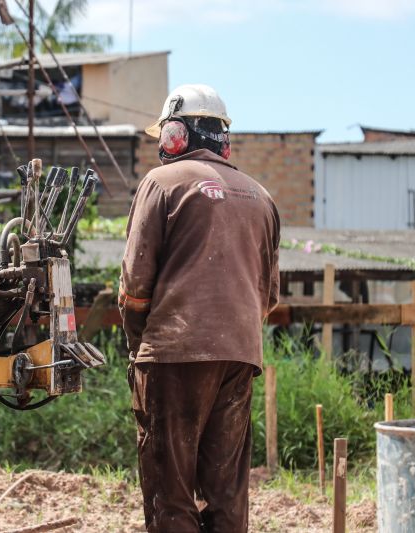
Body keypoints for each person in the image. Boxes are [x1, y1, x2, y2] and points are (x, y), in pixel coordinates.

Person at [119, 84, 280, 532]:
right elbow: (267, 296)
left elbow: (134, 288)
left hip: (173, 353)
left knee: (169, 489)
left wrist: (138, 349)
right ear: (223, 140)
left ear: (175, 134)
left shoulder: (160, 183)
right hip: (239, 355)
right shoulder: (261, 197)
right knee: (226, 490)